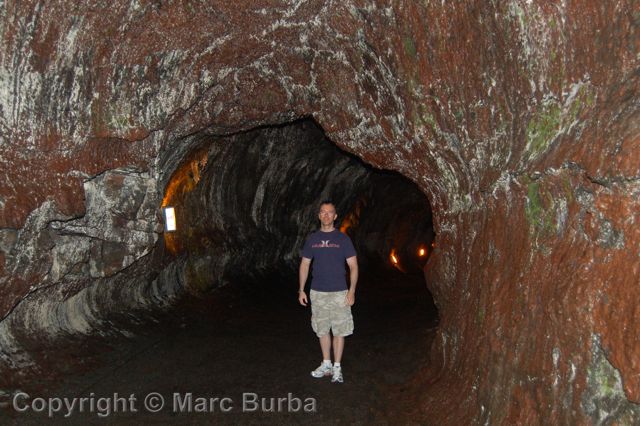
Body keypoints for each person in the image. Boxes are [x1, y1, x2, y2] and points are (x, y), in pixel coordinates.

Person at [298, 201, 358, 383]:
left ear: (335, 216)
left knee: (339, 330)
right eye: (323, 212)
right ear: (319, 216)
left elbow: (354, 266)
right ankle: (326, 363)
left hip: (340, 292)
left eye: (329, 212)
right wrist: (301, 289)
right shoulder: (313, 239)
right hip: (318, 292)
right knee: (322, 329)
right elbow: (305, 264)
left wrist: (352, 291)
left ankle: (337, 368)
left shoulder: (343, 239)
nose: (326, 215)